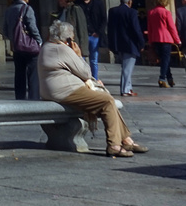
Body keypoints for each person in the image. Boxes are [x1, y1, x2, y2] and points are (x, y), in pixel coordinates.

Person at [39, 20, 148, 157]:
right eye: (72, 38)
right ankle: (114, 145)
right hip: (66, 91)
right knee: (107, 101)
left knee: (107, 101)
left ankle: (126, 139)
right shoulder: (62, 49)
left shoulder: (47, 46)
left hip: (54, 91)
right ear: (66, 39)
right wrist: (78, 55)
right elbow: (86, 73)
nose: (73, 41)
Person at [0, 0, 41, 100]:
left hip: (17, 48)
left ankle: (20, 99)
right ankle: (34, 99)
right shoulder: (27, 8)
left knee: (19, 75)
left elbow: (5, 30)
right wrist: (39, 41)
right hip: (30, 48)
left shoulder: (9, 10)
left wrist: (14, 39)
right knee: (33, 75)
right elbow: (32, 27)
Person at [106, 0, 146, 97]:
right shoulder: (132, 12)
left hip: (118, 43)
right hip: (130, 44)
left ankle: (128, 87)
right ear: (129, 1)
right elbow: (136, 29)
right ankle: (125, 90)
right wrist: (141, 43)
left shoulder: (112, 11)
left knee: (125, 67)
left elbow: (110, 28)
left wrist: (111, 43)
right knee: (127, 68)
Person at [146, 0, 180, 88]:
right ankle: (162, 78)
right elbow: (171, 27)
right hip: (166, 38)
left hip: (155, 38)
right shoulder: (166, 12)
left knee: (164, 59)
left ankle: (170, 78)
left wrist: (150, 40)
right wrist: (177, 40)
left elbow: (150, 28)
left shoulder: (151, 12)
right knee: (166, 59)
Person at [53, 0, 90, 65]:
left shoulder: (76, 9)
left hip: (73, 48)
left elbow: (82, 31)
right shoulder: (61, 11)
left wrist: (82, 52)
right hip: (62, 49)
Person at [78, 0, 108, 80]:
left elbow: (104, 19)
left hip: (94, 35)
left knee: (94, 60)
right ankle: (83, 78)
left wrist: (99, 32)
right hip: (82, 35)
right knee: (81, 59)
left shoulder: (98, 3)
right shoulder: (77, 3)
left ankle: (94, 78)